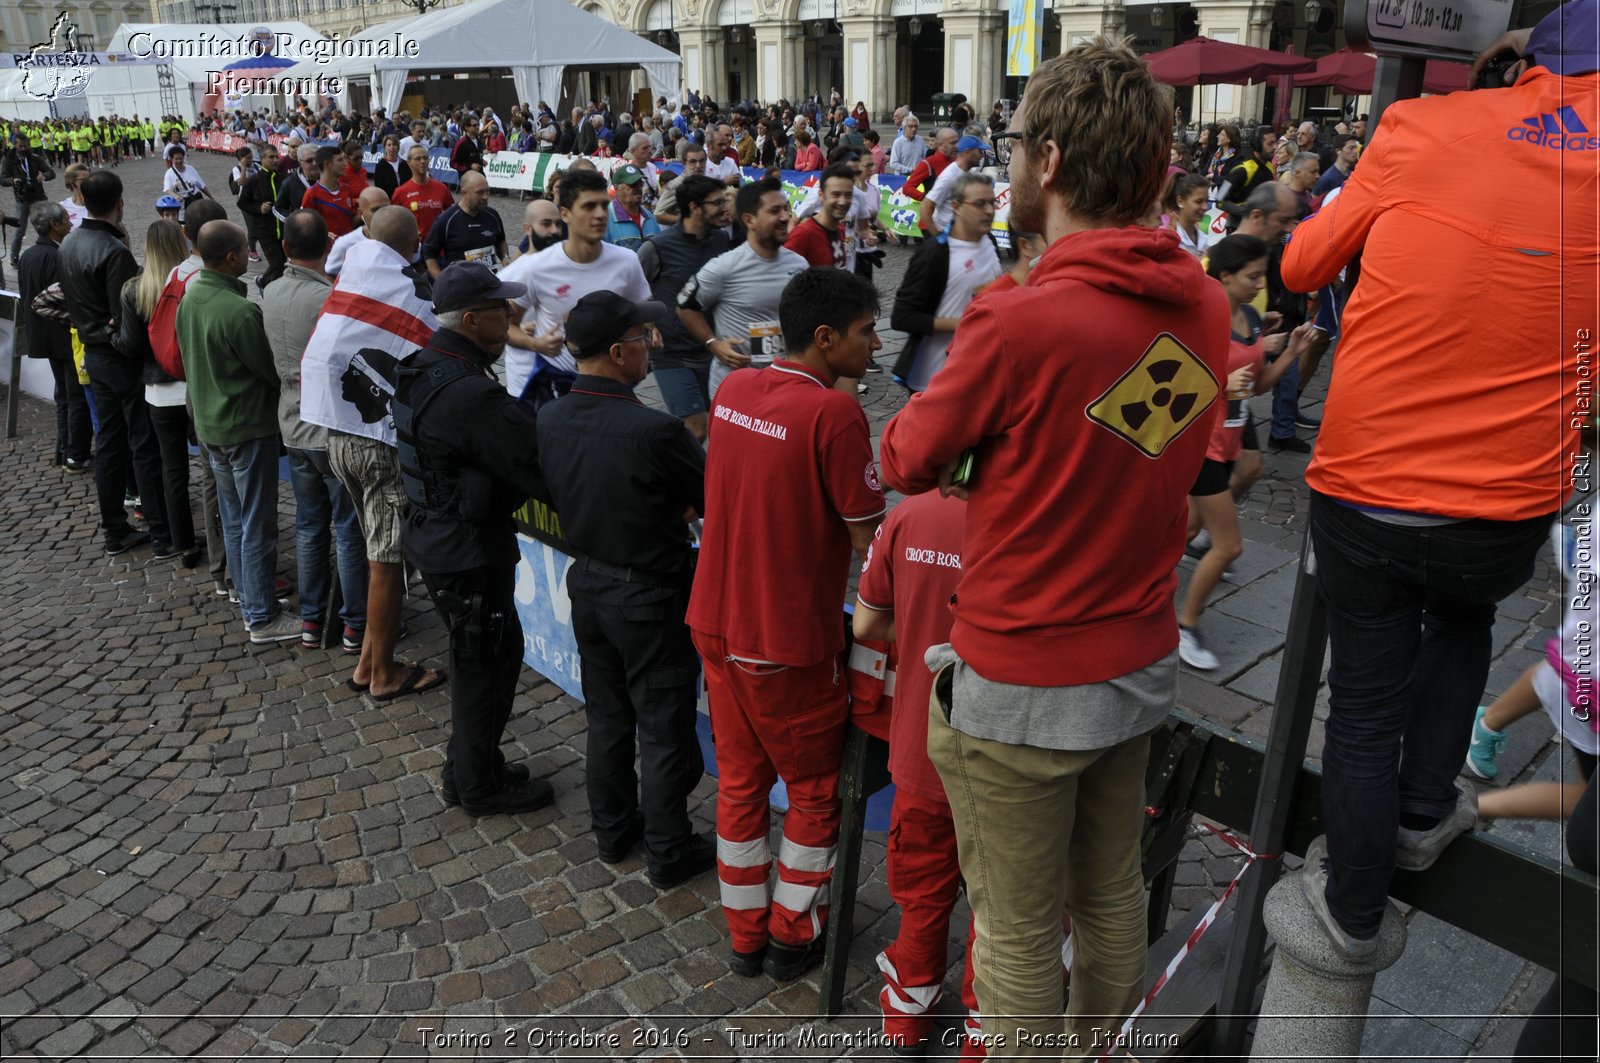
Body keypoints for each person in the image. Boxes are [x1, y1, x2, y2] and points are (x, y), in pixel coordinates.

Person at [878, 39, 1229, 1052]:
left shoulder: (1020, 323)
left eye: (1017, 142)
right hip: (1133, 659)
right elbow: (1126, 444)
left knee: (1019, 929)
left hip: (1022, 675)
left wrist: (984, 442)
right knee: (1111, 891)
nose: (1009, 160)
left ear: (1053, 163)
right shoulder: (1201, 301)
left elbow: (904, 454)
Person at [1280, 0, 1600, 963]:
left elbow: (1301, 264)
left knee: (1367, 696)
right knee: (1462, 624)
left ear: (1522, 58)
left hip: (1370, 472)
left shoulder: (1422, 124)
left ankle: (1352, 910)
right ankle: (1424, 815)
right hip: (1507, 499)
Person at [687, 267, 886, 981]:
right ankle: (792, 933)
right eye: (867, 331)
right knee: (811, 792)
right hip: (785, 638)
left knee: (740, 785)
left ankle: (744, 936)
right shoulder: (834, 413)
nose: (877, 343)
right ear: (826, 338)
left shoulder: (736, 388)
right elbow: (872, 540)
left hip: (715, 619)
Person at [535, 291, 715, 887]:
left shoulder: (552, 415)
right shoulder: (656, 430)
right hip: (650, 597)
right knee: (663, 729)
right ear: (618, 352)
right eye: (644, 337)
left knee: (608, 721)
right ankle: (668, 849)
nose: (652, 346)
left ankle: (613, 832)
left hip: (588, 585)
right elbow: (711, 497)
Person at [392, 262, 551, 815]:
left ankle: (471, 767)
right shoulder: (470, 393)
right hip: (468, 549)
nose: (509, 316)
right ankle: (479, 786)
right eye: (499, 310)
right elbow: (536, 461)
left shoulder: (423, 366)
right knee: (487, 663)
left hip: (439, 539)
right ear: (470, 319)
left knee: (479, 658)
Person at [301, 207, 447, 699]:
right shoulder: (408, 294)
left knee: (373, 550)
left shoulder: (354, 272)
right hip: (378, 447)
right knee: (386, 561)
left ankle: (367, 661)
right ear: (415, 242)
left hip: (337, 437)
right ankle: (383, 675)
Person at [1176, 234, 1315, 670]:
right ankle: (1186, 625)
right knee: (1228, 547)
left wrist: (1292, 351)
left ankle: (1132, 592)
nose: (1260, 284)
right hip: (1201, 446)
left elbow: (1255, 385)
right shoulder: (1204, 320)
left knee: (1180, 532)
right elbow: (1178, 383)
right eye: (1252, 276)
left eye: (1262, 275)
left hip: (1230, 443)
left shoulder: (1252, 318)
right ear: (1224, 276)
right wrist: (1219, 385)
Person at [174, 221, 298, 644]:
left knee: (233, 520)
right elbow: (269, 372)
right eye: (246, 249)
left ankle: (250, 597)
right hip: (244, 428)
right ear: (231, 258)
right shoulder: (240, 311)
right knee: (256, 523)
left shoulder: (191, 297)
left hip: (211, 426)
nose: (250, 254)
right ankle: (261, 616)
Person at [266, 209, 369, 651]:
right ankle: (354, 624)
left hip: (292, 423)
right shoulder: (331, 298)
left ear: (286, 249)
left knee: (309, 523)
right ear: (327, 248)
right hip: (328, 426)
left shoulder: (269, 291)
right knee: (346, 527)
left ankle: (311, 619)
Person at [58, 170, 171, 558]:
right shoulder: (114, 251)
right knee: (141, 443)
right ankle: (160, 530)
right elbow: (127, 318)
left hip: (93, 354)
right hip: (118, 357)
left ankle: (114, 528)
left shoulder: (68, 243)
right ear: (120, 203)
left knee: (108, 443)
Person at [500, 168, 651, 405]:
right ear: (565, 214)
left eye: (604, 205)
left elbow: (641, 314)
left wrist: (646, 338)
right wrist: (535, 343)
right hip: (558, 385)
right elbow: (506, 326)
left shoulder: (627, 261)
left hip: (614, 382)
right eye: (589, 207)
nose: (601, 214)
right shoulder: (536, 267)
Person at [677, 176, 807, 400]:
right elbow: (685, 306)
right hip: (735, 389)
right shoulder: (723, 268)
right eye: (775, 211)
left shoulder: (799, 265)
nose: (786, 217)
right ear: (749, 220)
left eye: (786, 209)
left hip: (783, 386)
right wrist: (713, 343)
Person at [636, 173, 732, 442]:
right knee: (697, 429)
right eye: (717, 203)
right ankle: (673, 480)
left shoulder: (721, 240)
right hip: (671, 354)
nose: (724, 208)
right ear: (694, 208)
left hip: (711, 350)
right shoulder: (657, 248)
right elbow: (634, 291)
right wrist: (650, 325)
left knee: (719, 425)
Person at [889, 171, 1003, 393]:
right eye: (980, 204)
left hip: (978, 372)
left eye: (992, 202)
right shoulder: (936, 253)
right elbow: (902, 317)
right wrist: (965, 324)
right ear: (956, 206)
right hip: (934, 379)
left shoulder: (989, 241)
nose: (989, 211)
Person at [17, 202, 88, 473]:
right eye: (66, 220)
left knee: (63, 395)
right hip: (63, 337)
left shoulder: (28, 255)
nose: (71, 223)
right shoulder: (56, 256)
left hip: (43, 337)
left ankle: (66, 448)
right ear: (55, 225)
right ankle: (75, 453)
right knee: (74, 396)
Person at [422, 171, 506, 276]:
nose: (485, 197)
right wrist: (440, 280)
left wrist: (505, 258)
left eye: (487, 191)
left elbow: (501, 240)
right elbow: (429, 252)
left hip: (489, 283)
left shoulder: (493, 215)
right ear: (464, 193)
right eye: (480, 192)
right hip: (459, 286)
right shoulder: (447, 219)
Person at [785, 163, 856, 271]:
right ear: (821, 195)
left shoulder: (841, 229)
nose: (842, 202)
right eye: (836, 195)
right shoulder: (803, 234)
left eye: (848, 195)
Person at [391, 143, 455, 254]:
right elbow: (393, 222)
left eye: (425, 158)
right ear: (409, 162)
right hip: (414, 249)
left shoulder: (441, 187)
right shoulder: (401, 192)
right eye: (418, 159)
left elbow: (452, 214)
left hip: (438, 249)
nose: (422, 161)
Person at [3, 131, 55, 267]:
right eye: (20, 146)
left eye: (26, 146)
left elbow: (51, 172)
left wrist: (44, 176)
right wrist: (13, 180)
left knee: (48, 225)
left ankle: (51, 253)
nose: (24, 149)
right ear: (15, 145)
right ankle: (14, 256)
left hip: (38, 195)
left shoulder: (35, 158)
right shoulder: (8, 159)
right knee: (20, 229)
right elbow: (2, 179)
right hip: (22, 198)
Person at [920, 135, 985, 237]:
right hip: (950, 235)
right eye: (979, 151)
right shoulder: (949, 176)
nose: (982, 156)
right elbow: (925, 207)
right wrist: (939, 239)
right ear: (968, 152)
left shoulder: (968, 172)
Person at [239, 143, 285, 286]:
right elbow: (242, 203)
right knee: (277, 263)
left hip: (284, 229)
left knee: (285, 264)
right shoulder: (254, 180)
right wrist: (259, 208)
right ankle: (263, 283)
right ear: (262, 159)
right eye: (271, 157)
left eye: (276, 157)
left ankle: (276, 289)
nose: (275, 160)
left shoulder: (283, 178)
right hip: (265, 230)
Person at [326, 187, 390, 277]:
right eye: (375, 210)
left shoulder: (403, 235)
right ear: (360, 213)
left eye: (387, 208)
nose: (382, 213)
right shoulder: (344, 244)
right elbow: (330, 274)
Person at [301, 145, 357, 239]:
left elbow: (349, 221)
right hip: (327, 252)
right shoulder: (312, 194)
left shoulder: (346, 189)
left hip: (348, 249)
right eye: (340, 160)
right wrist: (323, 234)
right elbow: (305, 226)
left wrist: (364, 212)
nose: (345, 164)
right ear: (326, 164)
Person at [603, 165, 660, 251]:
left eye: (640, 184)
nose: (638, 188)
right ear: (616, 188)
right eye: (632, 184)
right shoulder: (605, 219)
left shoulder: (649, 217)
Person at [653, 143, 709, 226]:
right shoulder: (677, 185)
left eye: (701, 161)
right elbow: (658, 214)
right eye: (692, 162)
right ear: (684, 163)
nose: (698, 165)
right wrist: (688, 222)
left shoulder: (706, 181)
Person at [1166, 172, 1213, 258]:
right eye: (1199, 202)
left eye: (1207, 201)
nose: (1205, 207)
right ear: (1180, 201)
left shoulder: (1204, 237)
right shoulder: (1169, 238)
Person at [162, 146, 213, 223]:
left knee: (200, 222)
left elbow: (201, 185)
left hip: (196, 202)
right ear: (172, 159)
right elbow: (168, 189)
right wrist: (176, 196)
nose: (179, 161)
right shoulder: (169, 173)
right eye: (176, 159)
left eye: (181, 158)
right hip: (183, 205)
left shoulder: (191, 169)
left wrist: (211, 197)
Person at [1312, 133, 1360, 197]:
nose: (1355, 151)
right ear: (1338, 151)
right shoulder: (1328, 178)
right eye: (1351, 148)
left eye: (1356, 148)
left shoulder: (1351, 174)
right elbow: (1314, 201)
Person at [58, 163, 88, 229]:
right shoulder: (63, 207)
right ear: (71, 183)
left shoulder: (99, 204)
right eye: (83, 180)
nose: (89, 182)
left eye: (89, 178)